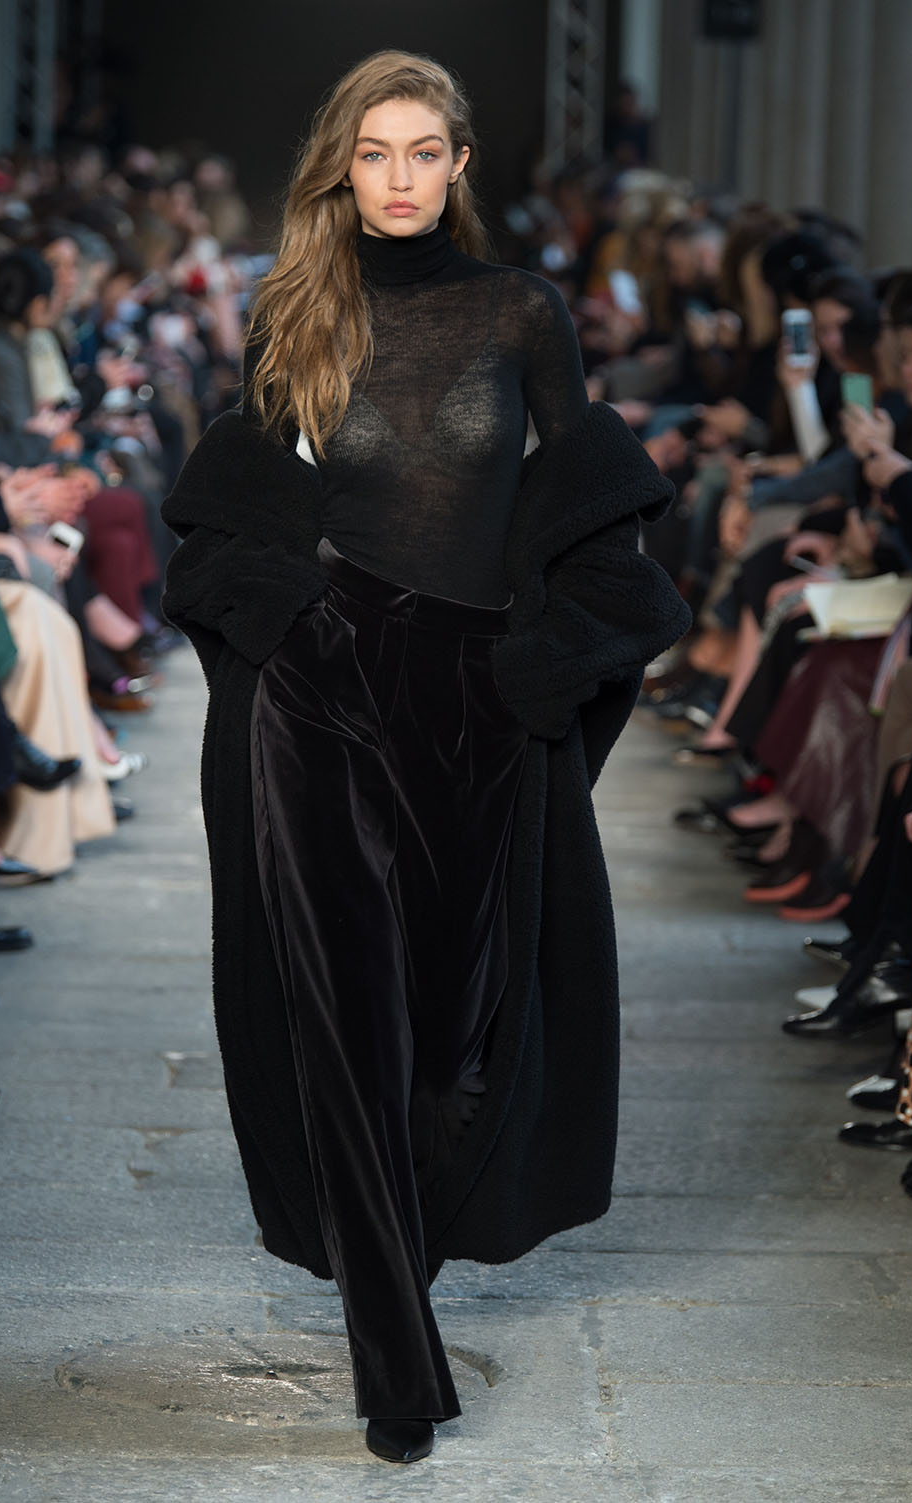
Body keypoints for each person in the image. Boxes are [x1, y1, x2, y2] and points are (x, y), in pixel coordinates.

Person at [162, 51, 689, 1465]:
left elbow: (589, 509)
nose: (398, 177)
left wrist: (544, 664)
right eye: (373, 152)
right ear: (342, 166)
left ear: (459, 165)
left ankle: (408, 1247)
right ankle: (397, 1362)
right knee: (346, 1014)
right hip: (321, 685)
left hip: (473, 701)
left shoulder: (521, 312)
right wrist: (285, 625)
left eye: (422, 152)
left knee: (457, 1032)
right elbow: (240, 508)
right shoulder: (293, 311)